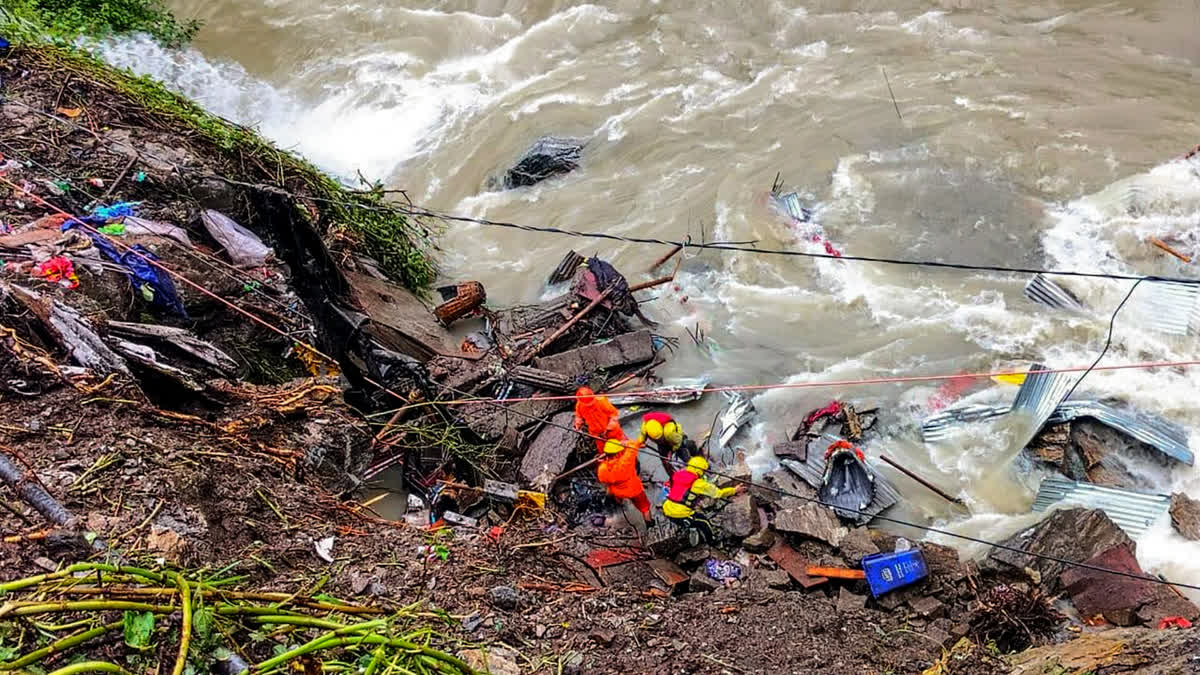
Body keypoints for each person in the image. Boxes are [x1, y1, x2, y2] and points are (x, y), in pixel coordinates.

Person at [662, 456, 744, 543]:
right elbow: (718, 494)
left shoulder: (678, 475)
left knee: (692, 514)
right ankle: (712, 540)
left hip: (667, 508)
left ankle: (689, 527)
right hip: (680, 514)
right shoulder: (699, 484)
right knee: (704, 522)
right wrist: (734, 490)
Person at [596, 439, 651, 523]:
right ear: (618, 453)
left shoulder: (602, 468)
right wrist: (624, 443)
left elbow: (603, 480)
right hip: (634, 490)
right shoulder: (625, 461)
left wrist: (603, 462)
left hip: (618, 492)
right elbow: (633, 445)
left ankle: (618, 510)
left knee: (612, 492)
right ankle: (649, 523)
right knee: (645, 508)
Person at [573, 386, 623, 453]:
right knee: (603, 451)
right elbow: (579, 416)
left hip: (611, 431)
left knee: (620, 446)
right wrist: (577, 424)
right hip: (597, 434)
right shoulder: (579, 405)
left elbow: (614, 414)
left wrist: (609, 427)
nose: (589, 405)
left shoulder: (601, 401)